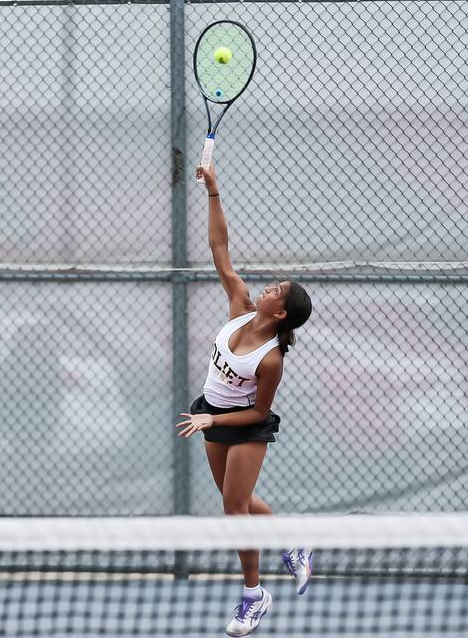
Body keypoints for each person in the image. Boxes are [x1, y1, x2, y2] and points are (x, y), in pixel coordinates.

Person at [175, 163, 313, 637]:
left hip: (245, 426)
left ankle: (253, 596)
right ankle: (291, 541)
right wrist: (213, 192)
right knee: (237, 499)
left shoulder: (272, 359)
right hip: (210, 412)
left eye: (277, 290)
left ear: (280, 313)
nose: (269, 286)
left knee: (234, 510)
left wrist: (213, 424)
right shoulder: (239, 306)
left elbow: (258, 410)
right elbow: (219, 248)